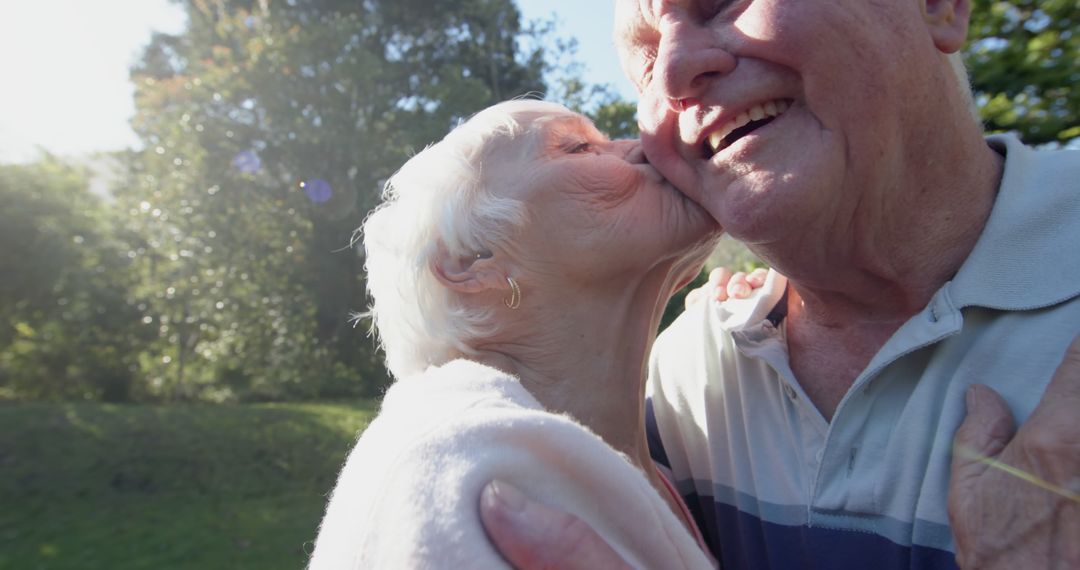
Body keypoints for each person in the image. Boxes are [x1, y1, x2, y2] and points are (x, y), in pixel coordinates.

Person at [478, 1, 1080, 568]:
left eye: (720, 3)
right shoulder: (682, 379)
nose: (675, 71)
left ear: (938, 6)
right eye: (645, 55)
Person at [307, 99, 730, 568]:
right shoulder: (452, 472)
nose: (645, 147)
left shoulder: (683, 449)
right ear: (470, 258)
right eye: (578, 147)